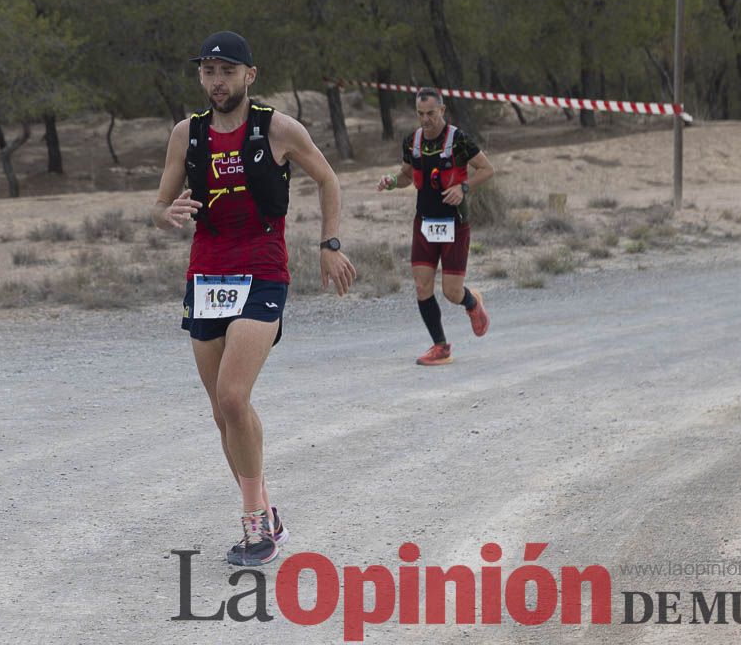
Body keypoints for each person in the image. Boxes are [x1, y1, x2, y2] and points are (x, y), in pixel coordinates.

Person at [152, 31, 356, 566]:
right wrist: (165, 212)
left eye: (227, 71)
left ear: (250, 75)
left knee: (234, 397)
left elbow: (328, 180)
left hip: (262, 272)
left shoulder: (278, 129)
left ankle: (254, 530)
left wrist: (329, 244)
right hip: (207, 275)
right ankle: (268, 511)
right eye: (208, 72)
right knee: (224, 412)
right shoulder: (186, 134)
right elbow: (160, 202)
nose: (217, 81)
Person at [377, 86, 495, 366]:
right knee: (421, 286)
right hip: (424, 222)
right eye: (420, 114)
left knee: (452, 292)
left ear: (442, 110)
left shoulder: (459, 140)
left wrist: (462, 187)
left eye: (431, 113)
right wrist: (392, 182)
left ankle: (472, 302)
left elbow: (488, 169)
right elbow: (407, 175)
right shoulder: (412, 141)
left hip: (455, 223)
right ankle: (440, 347)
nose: (426, 119)